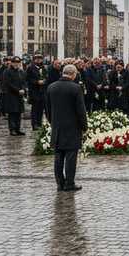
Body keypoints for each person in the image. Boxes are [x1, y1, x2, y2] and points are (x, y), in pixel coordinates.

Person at [46, 64, 88, 192]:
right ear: (73, 74)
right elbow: (81, 110)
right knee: (70, 156)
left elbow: (47, 109)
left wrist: (52, 122)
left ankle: (60, 183)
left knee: (58, 156)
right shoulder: (76, 88)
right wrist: (84, 126)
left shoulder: (51, 87)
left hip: (57, 126)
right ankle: (69, 183)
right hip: (72, 127)